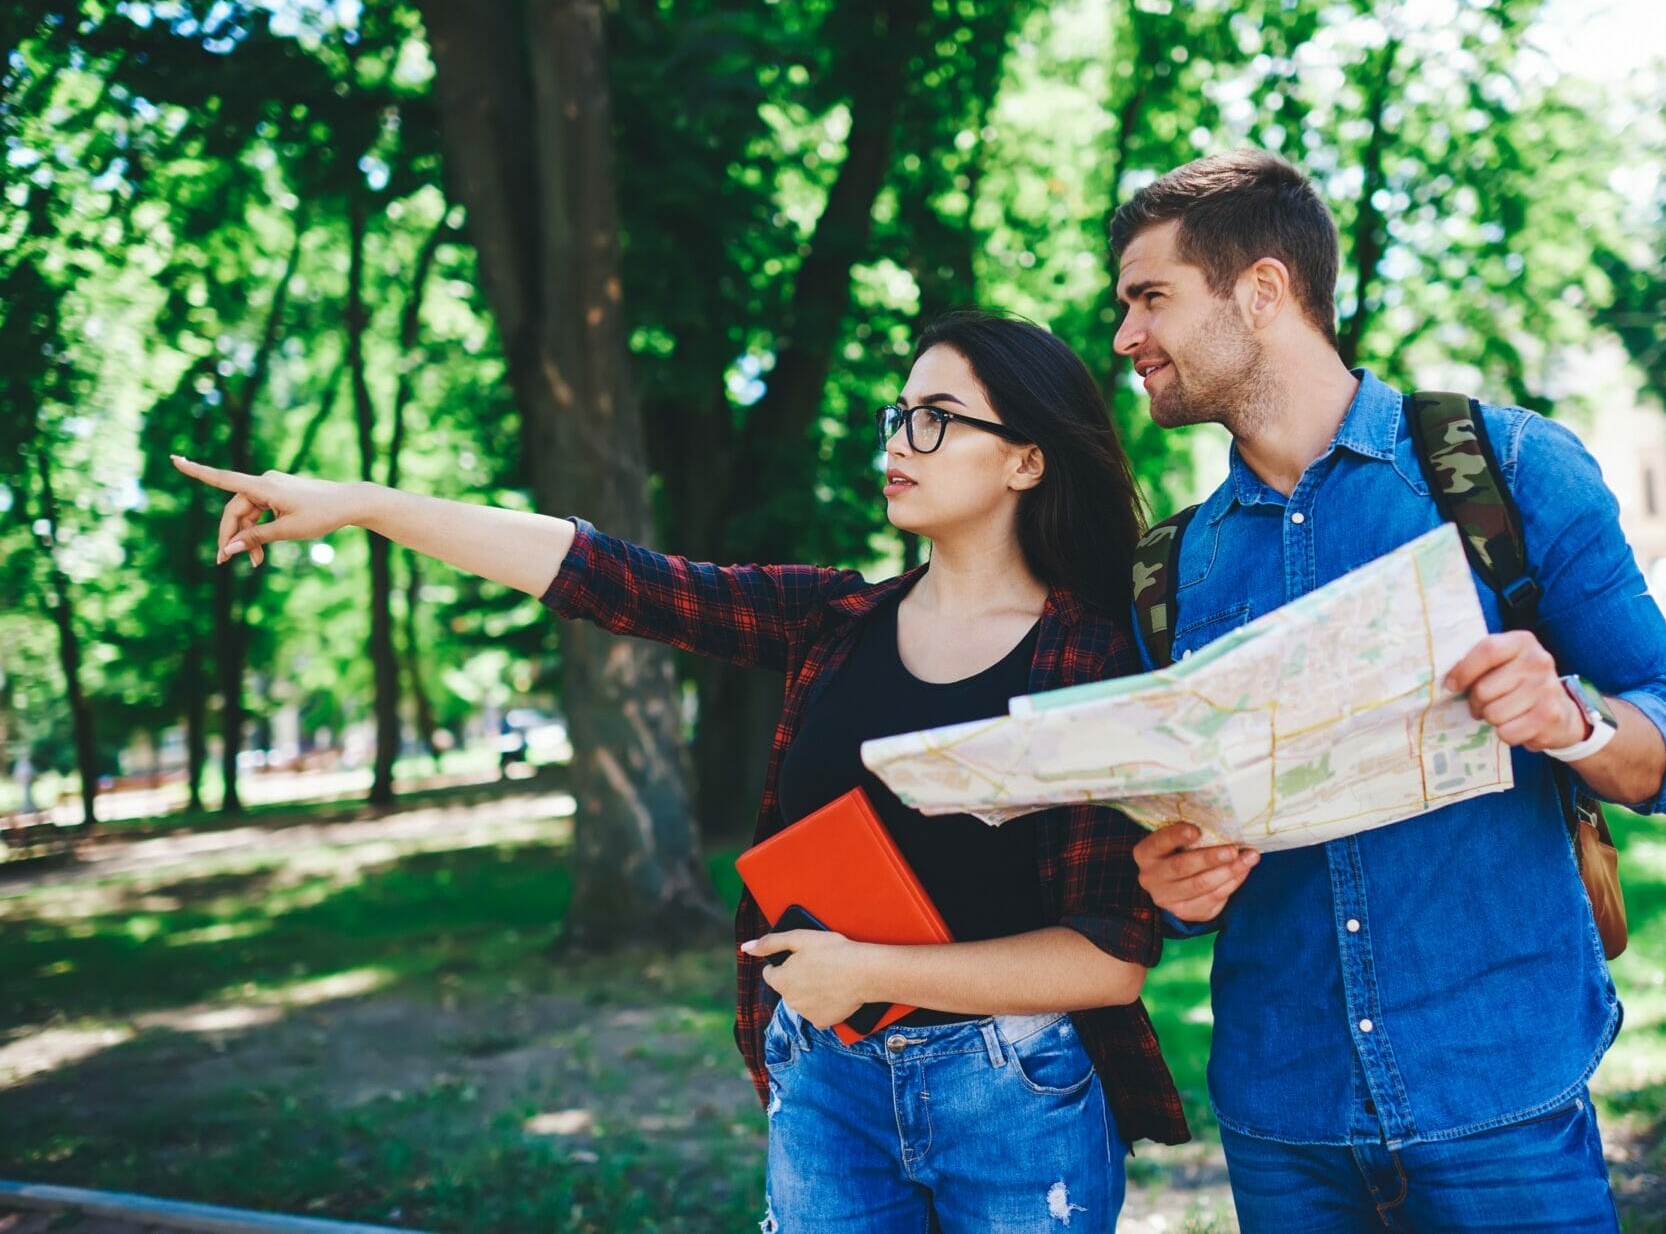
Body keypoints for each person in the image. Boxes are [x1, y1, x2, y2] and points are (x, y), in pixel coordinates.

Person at [173, 311, 1188, 1232]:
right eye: (897, 414)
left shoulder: (1092, 664)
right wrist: (362, 505)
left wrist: (874, 973)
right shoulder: (830, 623)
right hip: (826, 1080)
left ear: (1025, 462)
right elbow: (601, 573)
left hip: (1013, 1093)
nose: (897, 442)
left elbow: (1107, 956)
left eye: (936, 419)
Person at [1110, 151, 1666, 1232]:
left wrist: (1573, 722)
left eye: (1149, 298)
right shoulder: (1170, 576)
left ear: (1263, 292)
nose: (1126, 337)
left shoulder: (1504, 470)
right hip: (1281, 1125)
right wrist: (1174, 884)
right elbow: (1184, 863)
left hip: (1502, 1104)